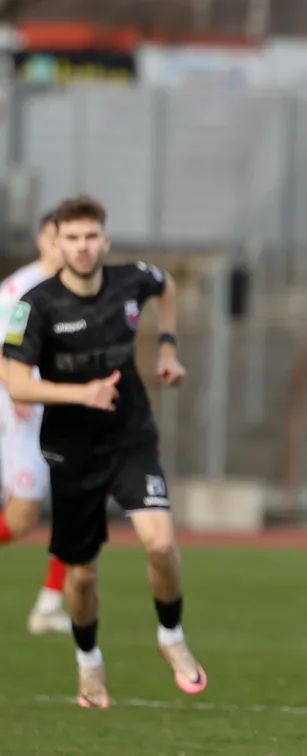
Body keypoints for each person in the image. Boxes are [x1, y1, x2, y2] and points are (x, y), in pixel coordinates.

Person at [2, 195, 206, 709]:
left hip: (131, 437)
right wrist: (81, 393)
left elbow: (168, 286)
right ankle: (89, 665)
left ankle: (171, 637)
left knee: (160, 544)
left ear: (105, 240)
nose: (83, 246)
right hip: (71, 451)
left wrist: (167, 348)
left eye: (91, 236)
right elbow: (16, 382)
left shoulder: (131, 279)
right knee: (83, 574)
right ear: (57, 243)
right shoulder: (34, 305)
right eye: (72, 238)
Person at [0, 210, 70, 635]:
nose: (63, 244)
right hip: (25, 410)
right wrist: (15, 387)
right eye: (55, 235)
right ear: (44, 239)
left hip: (68, 408)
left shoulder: (83, 291)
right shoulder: (20, 289)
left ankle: (49, 603)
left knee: (80, 504)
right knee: (23, 516)